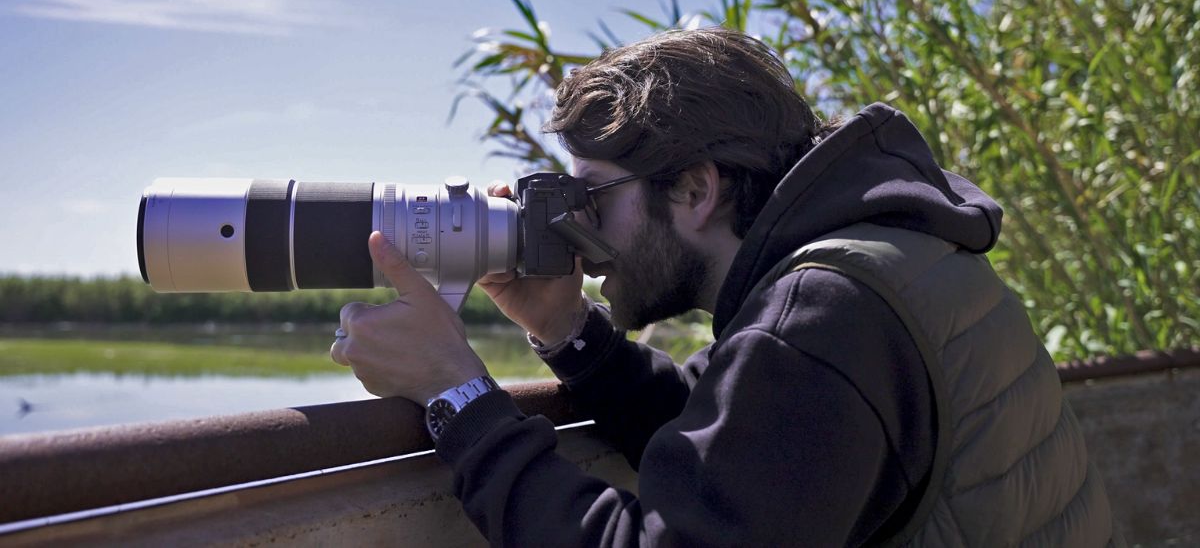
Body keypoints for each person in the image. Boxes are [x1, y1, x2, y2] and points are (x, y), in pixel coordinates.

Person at [331, 27, 1118, 546]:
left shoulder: (822, 312)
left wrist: (457, 393)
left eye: (594, 200)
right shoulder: (878, 256)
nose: (580, 230)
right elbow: (738, 439)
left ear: (695, 189)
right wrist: (570, 332)